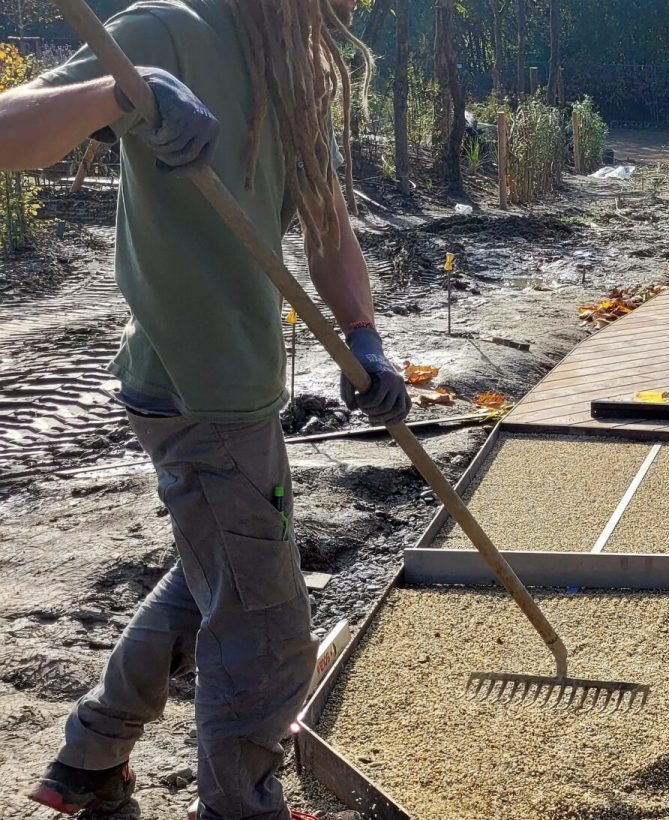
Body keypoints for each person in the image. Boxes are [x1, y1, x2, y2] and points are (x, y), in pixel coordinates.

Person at [0, 1, 409, 817]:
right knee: (269, 633)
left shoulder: (295, 67)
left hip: (241, 385)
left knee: (216, 576)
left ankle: (91, 759)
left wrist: (365, 336)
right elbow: (10, 134)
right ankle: (236, 806)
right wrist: (125, 91)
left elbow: (327, 224)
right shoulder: (167, 31)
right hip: (194, 390)